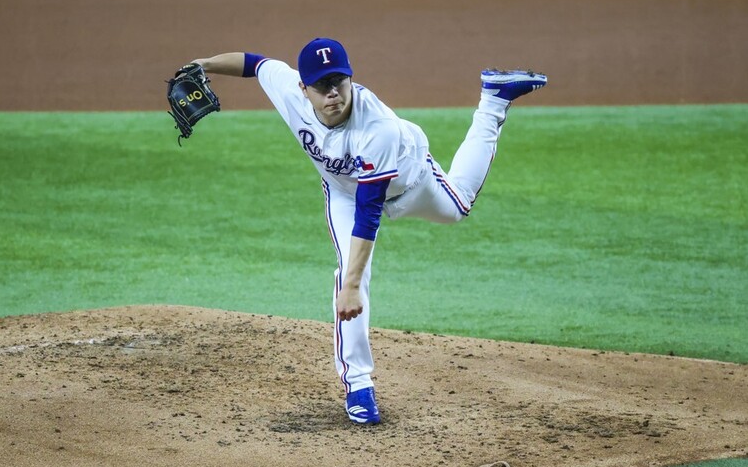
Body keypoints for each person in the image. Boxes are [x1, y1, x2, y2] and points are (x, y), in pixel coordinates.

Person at [188, 38, 546, 425]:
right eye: (321, 86)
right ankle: (358, 386)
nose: (332, 94)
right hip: (343, 193)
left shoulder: (378, 130)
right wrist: (204, 63)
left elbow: (369, 212)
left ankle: (493, 100)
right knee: (347, 275)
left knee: (456, 209)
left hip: (410, 180)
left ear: (350, 79)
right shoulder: (287, 89)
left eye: (339, 82)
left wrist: (353, 285)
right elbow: (257, 63)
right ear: (302, 89)